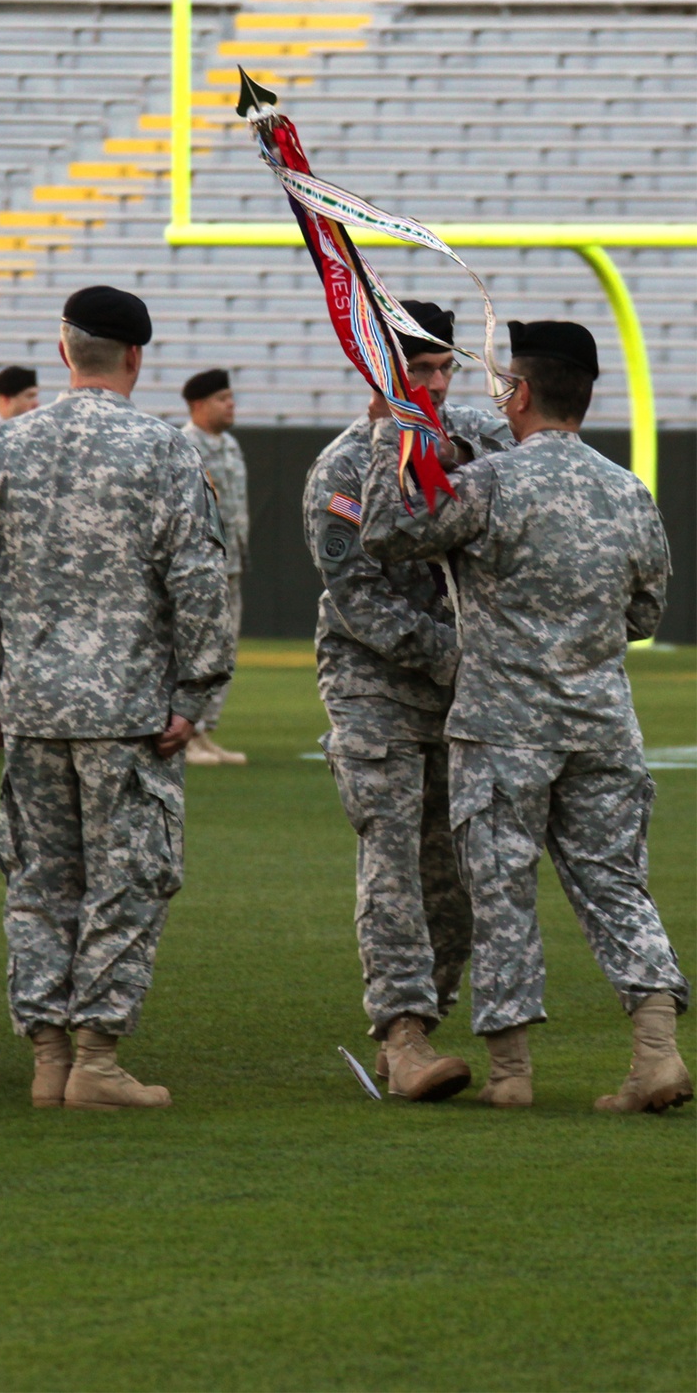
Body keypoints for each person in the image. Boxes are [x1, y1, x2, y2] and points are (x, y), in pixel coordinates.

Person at [360, 318, 692, 1114]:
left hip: (502, 726)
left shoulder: (494, 483)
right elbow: (645, 613)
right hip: (602, 721)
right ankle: (658, 1055)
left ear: (523, 392)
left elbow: (386, 533)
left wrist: (386, 438)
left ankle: (512, 1077)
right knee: (617, 887)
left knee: (501, 891)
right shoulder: (627, 489)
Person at [0, 285, 233, 1111]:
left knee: (37, 881)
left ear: (64, 352)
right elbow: (198, 579)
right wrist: (195, 691)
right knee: (127, 878)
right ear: (134, 356)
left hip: (32, 706)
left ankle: (48, 1057)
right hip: (130, 711)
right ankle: (97, 1059)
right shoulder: (163, 449)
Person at [304, 301, 514, 1101]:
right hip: (377, 689)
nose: (429, 385)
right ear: (376, 372)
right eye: (411, 372)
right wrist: (458, 659)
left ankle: (429, 1019)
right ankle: (404, 1030)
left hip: (463, 696)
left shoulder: (479, 442)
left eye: (439, 370)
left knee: (454, 868)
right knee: (392, 853)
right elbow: (359, 598)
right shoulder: (345, 468)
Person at [181, 368, 249, 766]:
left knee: (225, 649)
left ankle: (205, 731)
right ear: (199, 405)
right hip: (202, 565)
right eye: (223, 398)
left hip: (232, 563)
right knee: (199, 647)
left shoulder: (230, 445)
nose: (231, 405)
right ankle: (188, 732)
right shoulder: (185, 444)